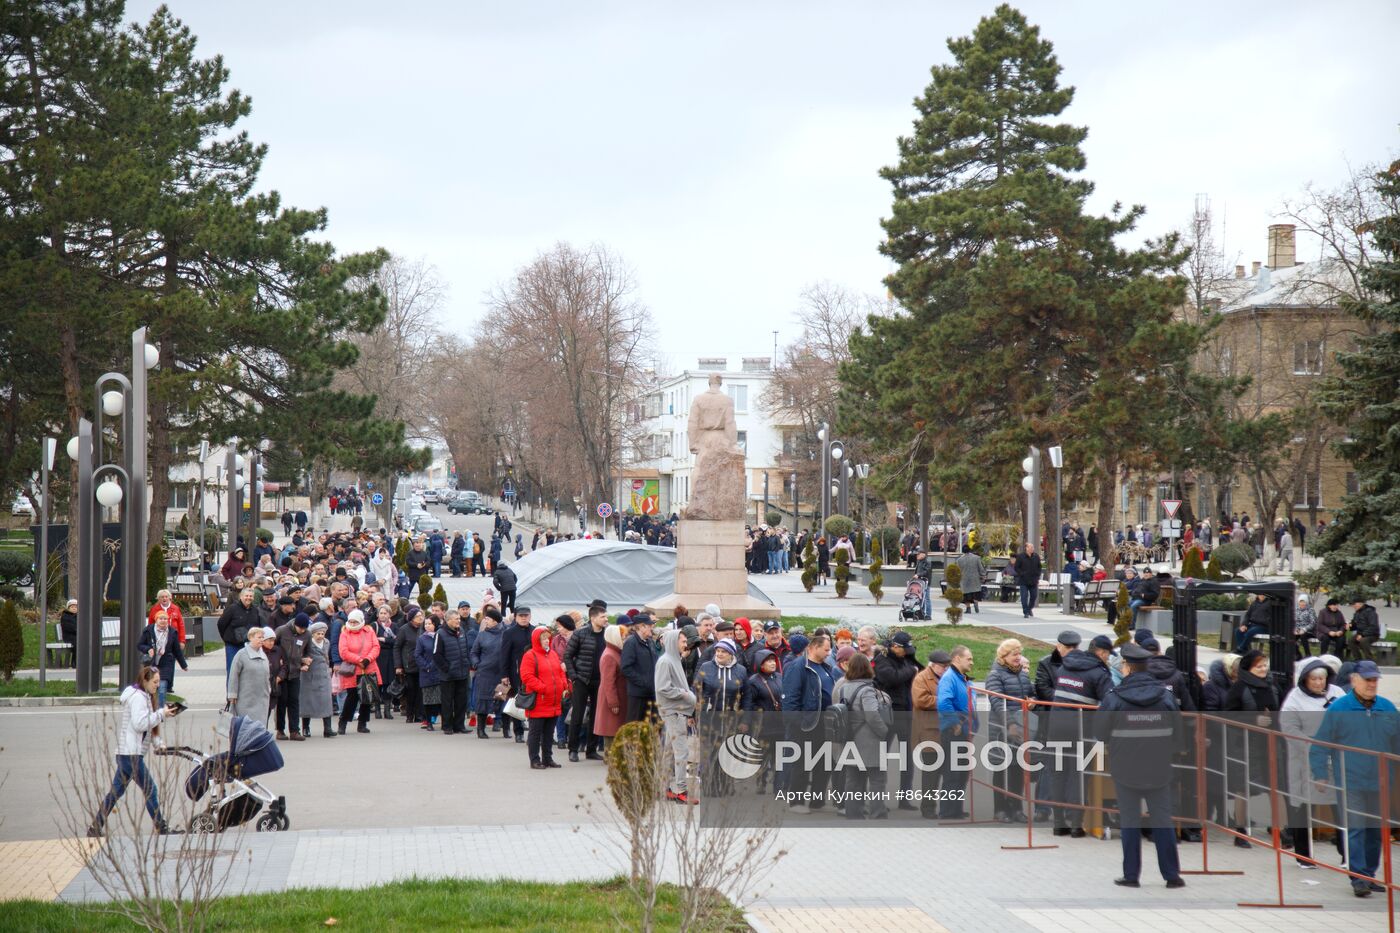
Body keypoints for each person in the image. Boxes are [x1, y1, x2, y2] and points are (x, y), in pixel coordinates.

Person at [1096, 642, 1185, 889]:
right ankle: (1172, 875)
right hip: (1159, 767)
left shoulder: (1115, 698)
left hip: (1125, 768)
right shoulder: (1166, 697)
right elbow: (1179, 735)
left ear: (1127, 667)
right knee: (1163, 820)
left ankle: (1131, 875)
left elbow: (1100, 732)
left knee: (1130, 821)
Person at [1310, 660, 1400, 897]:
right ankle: (1358, 877)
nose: (1372, 684)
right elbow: (1320, 744)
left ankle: (1369, 874)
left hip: (1380, 781)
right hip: (1351, 780)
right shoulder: (1339, 709)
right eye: (1367, 679)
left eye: (1374, 680)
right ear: (1354, 680)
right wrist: (1320, 774)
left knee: (1376, 830)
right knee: (1357, 828)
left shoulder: (1388, 709)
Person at [87, 666, 182, 837]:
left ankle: (95, 827)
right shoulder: (138, 698)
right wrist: (161, 714)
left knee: (116, 792)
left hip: (127, 754)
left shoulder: (144, 696)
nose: (157, 686)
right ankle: (162, 828)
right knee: (150, 789)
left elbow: (149, 727)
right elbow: (140, 724)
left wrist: (158, 743)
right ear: (144, 680)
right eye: (154, 682)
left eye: (158, 682)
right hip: (131, 755)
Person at [1280, 655, 1345, 867]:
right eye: (1314, 679)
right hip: (1304, 760)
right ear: (1305, 679)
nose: (1319, 683)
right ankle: (1303, 855)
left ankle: (1347, 853)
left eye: (1322, 678)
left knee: (1341, 806)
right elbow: (1289, 728)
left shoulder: (1338, 694)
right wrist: (1314, 746)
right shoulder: (1295, 699)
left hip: (1335, 758)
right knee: (1303, 807)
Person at [1046, 633, 1113, 835]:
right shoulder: (1099, 672)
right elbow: (1111, 702)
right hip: (1081, 730)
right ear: (1101, 652)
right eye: (1108, 655)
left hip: (1056, 726)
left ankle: (1058, 823)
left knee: (1058, 774)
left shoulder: (1067, 664)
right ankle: (1076, 824)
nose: (1108, 659)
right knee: (1079, 774)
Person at [1223, 648, 1280, 847]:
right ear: (1248, 668)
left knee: (1275, 786)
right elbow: (1228, 715)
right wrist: (1254, 720)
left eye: (1265, 665)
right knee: (1243, 788)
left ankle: (1278, 829)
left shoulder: (1272, 686)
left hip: (1269, 743)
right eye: (1259, 666)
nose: (1264, 669)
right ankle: (1241, 832)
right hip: (1245, 743)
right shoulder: (1239, 688)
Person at [832, 653, 891, 820]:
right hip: (869, 742)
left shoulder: (844, 687)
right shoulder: (867, 690)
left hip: (850, 739)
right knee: (877, 780)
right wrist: (883, 731)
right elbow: (872, 715)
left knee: (853, 780)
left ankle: (853, 813)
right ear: (867, 668)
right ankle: (878, 813)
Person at [985, 638, 1033, 823]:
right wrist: (1010, 724)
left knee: (1017, 769)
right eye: (1015, 654)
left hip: (1019, 727)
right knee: (1001, 768)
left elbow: (1028, 691)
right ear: (1004, 656)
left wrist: (1033, 698)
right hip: (1000, 728)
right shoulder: (995, 675)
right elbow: (997, 702)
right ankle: (1000, 808)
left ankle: (1016, 807)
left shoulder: (1022, 674)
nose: (1018, 657)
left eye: (1020, 654)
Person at [874, 631, 920, 804]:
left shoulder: (906, 658)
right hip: (887, 713)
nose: (907, 652)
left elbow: (919, 670)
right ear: (894, 647)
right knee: (882, 756)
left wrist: (912, 662)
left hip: (905, 712)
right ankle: (878, 800)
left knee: (907, 757)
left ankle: (905, 798)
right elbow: (892, 678)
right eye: (904, 649)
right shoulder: (882, 660)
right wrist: (911, 670)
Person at [655, 626, 698, 801]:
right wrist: (685, 694)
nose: (685, 644)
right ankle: (681, 791)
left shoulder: (673, 659)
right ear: (674, 642)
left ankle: (663, 787)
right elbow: (663, 688)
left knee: (670, 751)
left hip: (676, 711)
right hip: (674, 712)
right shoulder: (666, 661)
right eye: (683, 641)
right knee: (681, 752)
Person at [935, 645, 978, 818]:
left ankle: (956, 809)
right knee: (952, 773)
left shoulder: (962, 678)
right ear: (957, 659)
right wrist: (955, 723)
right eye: (969, 658)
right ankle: (947, 811)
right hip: (954, 732)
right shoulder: (949, 678)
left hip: (964, 730)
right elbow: (943, 702)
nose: (972, 662)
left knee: (961, 773)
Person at [563, 604, 608, 761]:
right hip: (582, 679)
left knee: (596, 715)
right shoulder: (580, 634)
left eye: (606, 616)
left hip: (600, 681)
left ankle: (591, 749)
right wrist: (574, 676)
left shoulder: (606, 634)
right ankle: (573, 749)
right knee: (578, 714)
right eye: (603, 617)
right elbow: (567, 656)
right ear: (593, 618)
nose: (606, 619)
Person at [520, 625, 568, 769]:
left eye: (548, 638)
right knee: (535, 732)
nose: (547, 641)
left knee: (548, 733)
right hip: (540, 700)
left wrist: (564, 685)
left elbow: (560, 672)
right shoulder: (530, 655)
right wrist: (543, 688)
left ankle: (548, 758)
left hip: (553, 700)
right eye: (543, 639)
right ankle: (535, 759)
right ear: (537, 640)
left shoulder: (552, 654)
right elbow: (527, 676)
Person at [912, 649, 950, 818]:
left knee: (947, 772)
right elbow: (921, 700)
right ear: (933, 665)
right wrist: (945, 701)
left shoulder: (946, 678)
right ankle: (927, 808)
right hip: (929, 732)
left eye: (948, 666)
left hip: (946, 731)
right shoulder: (921, 678)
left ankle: (948, 807)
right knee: (931, 774)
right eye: (943, 666)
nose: (946, 669)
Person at [336, 609, 380, 735]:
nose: (353, 624)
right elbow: (343, 652)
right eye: (351, 621)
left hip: (368, 667)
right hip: (353, 669)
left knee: (367, 697)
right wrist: (359, 660)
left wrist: (367, 659)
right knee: (352, 697)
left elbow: (375, 647)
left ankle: (363, 723)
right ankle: (343, 722)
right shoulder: (345, 633)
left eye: (355, 622)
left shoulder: (369, 631)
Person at [137, 609, 188, 709]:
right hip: (151, 663)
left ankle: (160, 712)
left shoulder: (172, 632)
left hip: (166, 663)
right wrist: (148, 649)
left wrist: (183, 665)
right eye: (161, 618)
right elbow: (140, 645)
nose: (163, 621)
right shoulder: (148, 630)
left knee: (162, 688)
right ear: (156, 620)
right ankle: (149, 708)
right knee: (151, 687)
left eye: (165, 619)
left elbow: (177, 650)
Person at [432, 610, 472, 735]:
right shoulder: (440, 633)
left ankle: (459, 725)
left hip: (462, 672)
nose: (458, 621)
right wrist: (446, 668)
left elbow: (466, 650)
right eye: (456, 619)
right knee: (448, 702)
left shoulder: (462, 632)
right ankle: (447, 726)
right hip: (448, 675)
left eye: (459, 619)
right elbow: (436, 655)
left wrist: (466, 664)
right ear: (448, 620)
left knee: (461, 701)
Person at [469, 609, 507, 739]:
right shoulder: (482, 635)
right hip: (485, 673)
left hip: (502, 673)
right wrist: (476, 664)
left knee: (502, 699)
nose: (485, 621)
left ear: (495, 621)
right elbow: (474, 652)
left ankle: (505, 729)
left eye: (488, 619)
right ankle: (481, 729)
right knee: (483, 701)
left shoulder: (505, 634)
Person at [500, 607, 536, 742]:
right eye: (521, 616)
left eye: (526, 616)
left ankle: (534, 731)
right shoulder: (509, 633)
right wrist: (504, 674)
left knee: (534, 701)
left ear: (530, 616)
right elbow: (504, 655)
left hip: (534, 673)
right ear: (515, 617)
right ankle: (518, 731)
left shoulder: (534, 631)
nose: (523, 618)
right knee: (518, 700)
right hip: (516, 672)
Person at [299, 619, 335, 738]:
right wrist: (303, 663)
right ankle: (306, 728)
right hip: (310, 675)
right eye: (318, 634)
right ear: (312, 634)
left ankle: (327, 728)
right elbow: (300, 655)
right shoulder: (307, 643)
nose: (320, 636)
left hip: (323, 675)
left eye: (322, 633)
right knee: (307, 701)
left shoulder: (327, 642)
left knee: (326, 701)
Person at [226, 626, 271, 720]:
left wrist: (268, 689)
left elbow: (267, 675)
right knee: (246, 726)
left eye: (263, 637)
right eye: (259, 637)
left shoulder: (264, 655)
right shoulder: (241, 654)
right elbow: (233, 675)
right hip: (246, 699)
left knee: (259, 726)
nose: (262, 639)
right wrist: (232, 694)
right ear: (250, 637)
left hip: (262, 698)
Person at [620, 613, 658, 724]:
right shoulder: (631, 643)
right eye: (649, 625)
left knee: (652, 727)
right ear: (641, 627)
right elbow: (626, 668)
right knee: (635, 728)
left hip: (652, 693)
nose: (652, 627)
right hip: (638, 694)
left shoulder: (650, 641)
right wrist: (644, 682)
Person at [595, 623, 628, 746]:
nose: (624, 639)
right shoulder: (609, 655)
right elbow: (608, 682)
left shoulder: (614, 652)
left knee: (614, 728)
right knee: (611, 729)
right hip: (612, 699)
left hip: (616, 697)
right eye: (622, 636)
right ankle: (610, 758)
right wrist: (613, 702)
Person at [217, 585, 261, 675]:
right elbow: (221, 624)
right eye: (246, 596)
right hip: (233, 645)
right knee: (232, 670)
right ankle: (231, 689)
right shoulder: (232, 608)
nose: (248, 598)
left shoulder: (255, 610)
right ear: (241, 597)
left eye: (251, 596)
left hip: (249, 645)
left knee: (248, 671)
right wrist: (226, 637)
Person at [393, 607, 424, 724]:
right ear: (411, 619)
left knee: (420, 691)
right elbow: (397, 647)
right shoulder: (403, 630)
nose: (420, 618)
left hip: (421, 664)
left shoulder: (423, 628)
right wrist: (398, 665)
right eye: (417, 616)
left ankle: (420, 715)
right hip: (408, 665)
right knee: (411, 690)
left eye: (421, 615)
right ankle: (409, 714)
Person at [414, 616, 442, 731]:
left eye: (430, 624)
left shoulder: (440, 636)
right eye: (425, 624)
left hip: (440, 672)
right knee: (428, 699)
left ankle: (442, 720)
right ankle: (428, 721)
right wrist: (426, 666)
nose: (427, 626)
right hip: (427, 673)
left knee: (440, 699)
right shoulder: (422, 639)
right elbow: (417, 654)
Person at [1012, 542, 1042, 618]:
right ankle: (1025, 611)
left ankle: (1029, 608)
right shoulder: (1021, 556)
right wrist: (1022, 574)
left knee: (1034, 596)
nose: (1032, 549)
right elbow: (1016, 567)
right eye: (1030, 547)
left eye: (1033, 547)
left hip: (1033, 580)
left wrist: (1037, 575)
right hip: (1024, 581)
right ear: (1026, 548)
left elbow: (1039, 567)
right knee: (1024, 597)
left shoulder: (1036, 556)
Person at [955, 546, 983, 614]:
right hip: (975, 578)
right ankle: (975, 602)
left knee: (966, 595)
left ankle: (968, 608)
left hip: (964, 579)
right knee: (975, 592)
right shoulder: (976, 558)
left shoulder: (959, 560)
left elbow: (958, 571)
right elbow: (980, 568)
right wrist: (982, 575)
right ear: (970, 550)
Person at [1293, 595, 1317, 660]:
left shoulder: (1311, 610)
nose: (1302, 603)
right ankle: (1298, 655)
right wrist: (1295, 630)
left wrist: (1304, 629)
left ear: (1306, 602)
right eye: (1301, 602)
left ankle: (1308, 654)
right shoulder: (1296, 609)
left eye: (1304, 602)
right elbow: (1294, 622)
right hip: (1299, 630)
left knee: (1303, 635)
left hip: (1309, 631)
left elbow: (1313, 623)